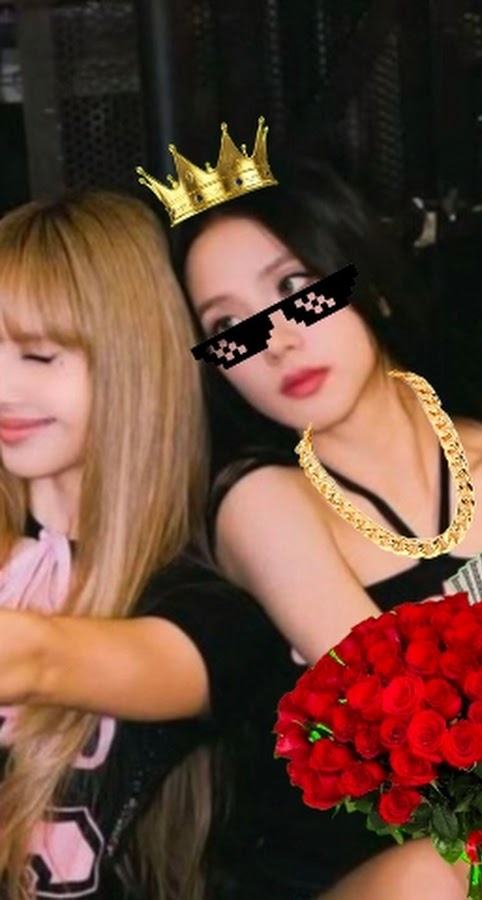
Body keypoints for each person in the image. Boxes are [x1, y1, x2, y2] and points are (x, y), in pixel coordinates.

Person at [177, 159, 482, 900]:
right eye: (228, 328)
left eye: (294, 287)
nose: (276, 341)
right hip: (345, 880)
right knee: (445, 876)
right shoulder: (257, 505)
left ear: (372, 280)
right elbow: (432, 762)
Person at [0, 191, 289, 900]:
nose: (3, 386)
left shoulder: (208, 602)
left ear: (132, 363)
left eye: (40, 355)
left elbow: (37, 658)